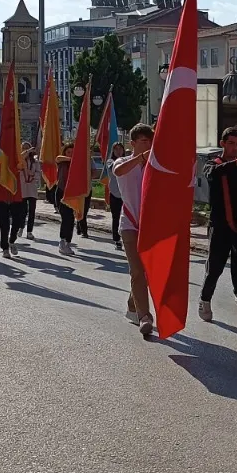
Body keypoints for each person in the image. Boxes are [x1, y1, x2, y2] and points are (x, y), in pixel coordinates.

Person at [199, 127, 237, 333]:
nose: (235, 148)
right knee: (215, 269)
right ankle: (205, 299)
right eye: (231, 143)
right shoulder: (213, 164)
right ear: (223, 143)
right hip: (221, 225)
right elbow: (214, 173)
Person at [113, 124, 156, 338]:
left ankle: (133, 305)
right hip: (129, 224)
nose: (148, 145)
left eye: (150, 141)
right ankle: (145, 316)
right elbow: (118, 171)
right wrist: (140, 159)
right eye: (143, 141)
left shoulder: (155, 165)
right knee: (137, 271)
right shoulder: (124, 161)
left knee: (146, 272)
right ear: (133, 143)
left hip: (151, 226)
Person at [0, 152, 25, 257]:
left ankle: (11, 241)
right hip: (3, 198)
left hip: (16, 197)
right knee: (4, 224)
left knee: (17, 222)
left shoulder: (19, 164)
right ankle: (5, 247)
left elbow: (26, 169)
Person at [56, 142, 84, 256]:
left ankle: (68, 242)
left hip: (73, 194)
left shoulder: (77, 165)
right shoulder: (62, 162)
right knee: (66, 217)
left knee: (71, 219)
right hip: (62, 193)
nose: (71, 154)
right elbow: (57, 158)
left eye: (73, 152)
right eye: (68, 152)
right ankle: (62, 241)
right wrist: (72, 159)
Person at [106, 141, 126, 249]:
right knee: (116, 217)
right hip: (115, 194)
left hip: (126, 193)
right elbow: (112, 168)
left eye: (120, 149)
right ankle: (116, 239)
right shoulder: (110, 162)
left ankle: (126, 237)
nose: (118, 151)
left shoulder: (128, 161)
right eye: (116, 149)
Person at [19, 147, 41, 241]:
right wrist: (27, 151)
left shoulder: (35, 161)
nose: (26, 151)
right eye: (24, 148)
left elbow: (39, 174)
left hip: (32, 189)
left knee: (32, 211)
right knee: (22, 211)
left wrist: (32, 174)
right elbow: (20, 157)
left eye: (27, 148)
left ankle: (29, 231)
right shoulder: (20, 161)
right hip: (23, 189)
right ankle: (21, 227)